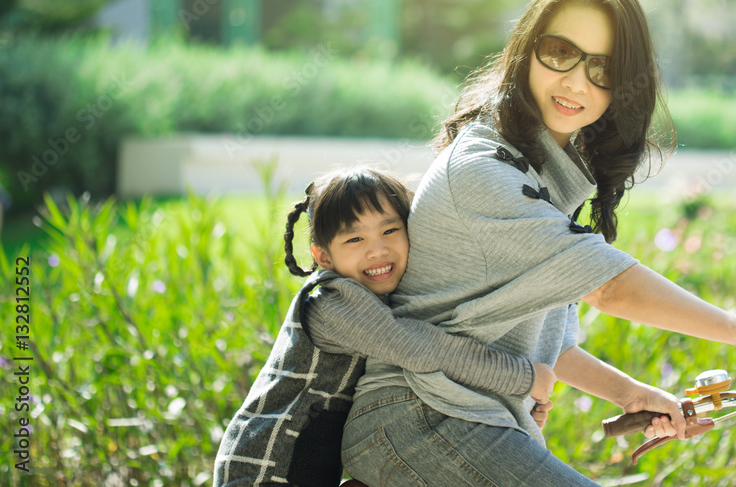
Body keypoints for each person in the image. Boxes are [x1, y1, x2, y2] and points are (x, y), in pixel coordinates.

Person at [341, 0, 736, 486]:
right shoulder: (484, 171)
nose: (576, 81)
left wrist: (631, 395)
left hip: (463, 420)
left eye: (602, 69)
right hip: (420, 419)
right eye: (560, 52)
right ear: (525, 50)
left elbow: (551, 347)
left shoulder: (541, 176)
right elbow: (612, 289)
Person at [212, 167, 556, 487]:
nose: (378, 250)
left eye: (390, 231)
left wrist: (516, 408)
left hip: (306, 463)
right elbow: (421, 348)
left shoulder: (382, 300)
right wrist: (523, 378)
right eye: (354, 240)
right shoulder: (332, 303)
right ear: (323, 257)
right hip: (264, 466)